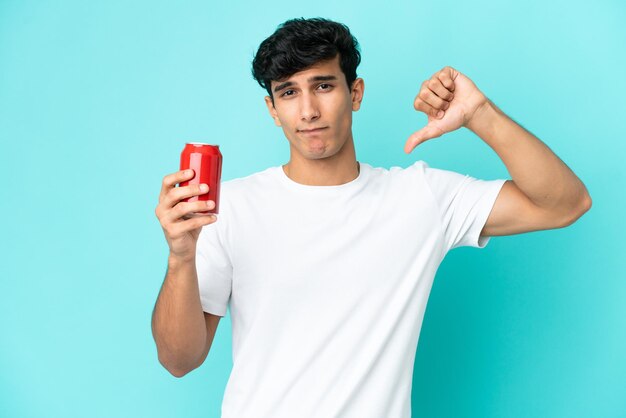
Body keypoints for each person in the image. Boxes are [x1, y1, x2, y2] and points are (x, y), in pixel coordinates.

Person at [151, 17, 591, 418]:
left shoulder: (421, 198)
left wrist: (480, 115)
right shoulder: (232, 208)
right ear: (272, 109)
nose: (307, 110)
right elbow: (178, 360)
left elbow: (565, 203)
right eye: (288, 92)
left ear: (354, 93)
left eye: (323, 86)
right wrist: (179, 257)